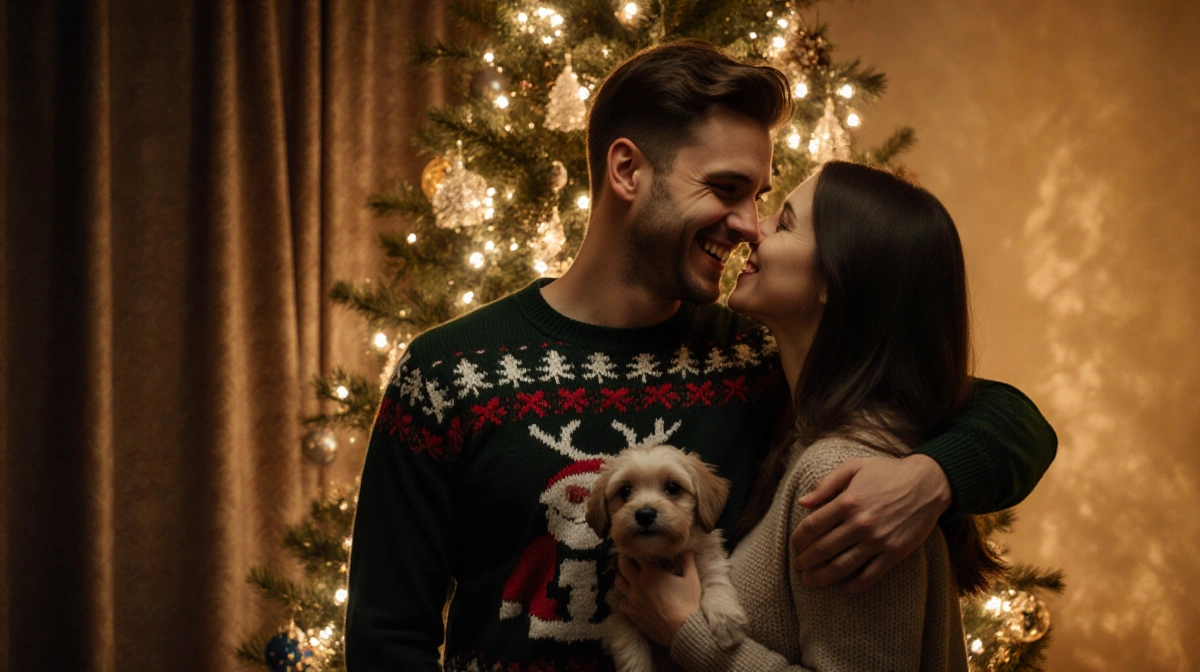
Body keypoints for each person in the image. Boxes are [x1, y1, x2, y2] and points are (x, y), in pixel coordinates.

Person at [344, 40, 1056, 672]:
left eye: (762, 200)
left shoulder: (759, 355)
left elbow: (1007, 418)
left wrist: (934, 475)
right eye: (725, 190)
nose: (748, 226)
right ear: (627, 171)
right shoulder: (448, 373)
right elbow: (387, 637)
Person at [615, 161, 1002, 670]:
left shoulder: (844, 478)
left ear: (835, 280)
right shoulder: (805, 429)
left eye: (786, 222)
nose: (755, 228)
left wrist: (690, 633)